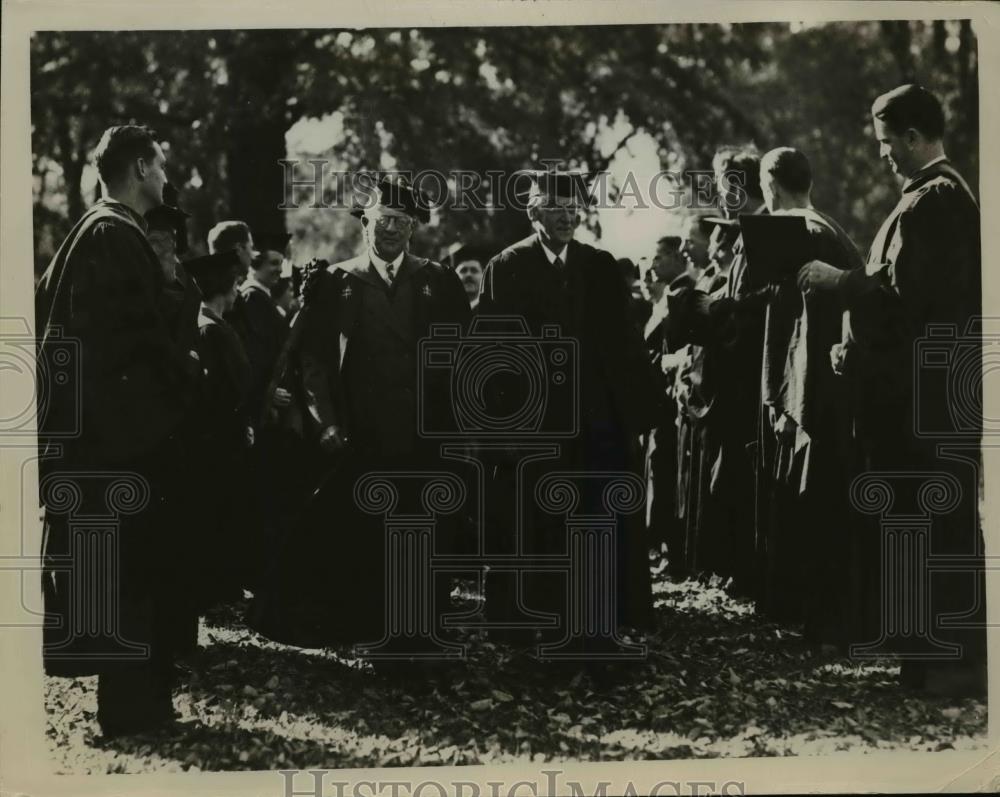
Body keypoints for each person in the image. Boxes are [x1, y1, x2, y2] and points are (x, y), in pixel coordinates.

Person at [798, 84, 983, 695]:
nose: (883, 156)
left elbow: (906, 304)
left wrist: (839, 282)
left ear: (910, 137)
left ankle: (946, 667)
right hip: (927, 397)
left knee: (926, 525)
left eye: (885, 144)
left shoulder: (935, 202)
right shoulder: (939, 198)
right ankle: (928, 662)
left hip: (921, 404)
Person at [254, 175, 470, 654]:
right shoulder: (338, 281)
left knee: (422, 532)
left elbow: (463, 359)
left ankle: (418, 634)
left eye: (399, 221)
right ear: (364, 224)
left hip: (422, 436)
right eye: (380, 221)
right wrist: (325, 420)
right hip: (360, 436)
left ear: (413, 227)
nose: (390, 230)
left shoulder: (436, 280)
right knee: (365, 536)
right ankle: (368, 630)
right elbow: (314, 363)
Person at [35, 124, 198, 736]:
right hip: (118, 443)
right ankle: (133, 713)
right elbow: (138, 341)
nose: (165, 177)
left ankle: (140, 706)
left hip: (103, 440)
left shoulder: (92, 233)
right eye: (158, 166)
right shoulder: (112, 235)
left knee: (124, 576)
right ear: (136, 169)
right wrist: (187, 371)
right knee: (127, 576)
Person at [479, 170, 657, 646]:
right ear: (532, 211)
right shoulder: (507, 266)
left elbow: (626, 346)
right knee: (535, 524)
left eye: (571, 207)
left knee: (595, 519)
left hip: (595, 422)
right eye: (553, 207)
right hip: (534, 427)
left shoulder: (598, 266)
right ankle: (536, 627)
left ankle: (594, 628)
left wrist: (633, 420)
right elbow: (491, 354)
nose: (564, 215)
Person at [753, 147, 863, 647]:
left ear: (769, 185)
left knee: (820, 505)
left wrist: (789, 408)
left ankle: (829, 624)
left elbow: (801, 327)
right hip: (834, 389)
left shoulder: (798, 233)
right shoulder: (831, 227)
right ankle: (830, 619)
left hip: (817, 395)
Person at [185, 249, 255, 611]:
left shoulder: (211, 323)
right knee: (219, 512)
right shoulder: (210, 329)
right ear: (227, 288)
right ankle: (216, 590)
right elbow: (224, 388)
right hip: (220, 437)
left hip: (222, 433)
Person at [639, 238, 689, 569]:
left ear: (673, 257)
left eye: (658, 258)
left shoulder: (682, 294)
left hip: (673, 397)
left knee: (665, 467)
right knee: (657, 467)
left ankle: (668, 545)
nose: (653, 265)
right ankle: (659, 542)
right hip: (658, 397)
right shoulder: (665, 298)